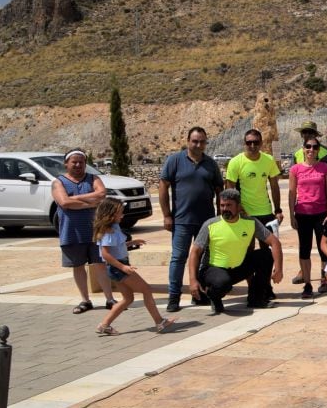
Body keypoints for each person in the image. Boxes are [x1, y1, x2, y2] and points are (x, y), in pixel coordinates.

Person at [159, 126, 223, 312]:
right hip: (181, 221)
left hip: (206, 222)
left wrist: (220, 216)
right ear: (188, 141)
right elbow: (163, 187)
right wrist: (166, 215)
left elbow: (219, 190)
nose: (198, 144)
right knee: (178, 258)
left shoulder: (210, 164)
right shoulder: (174, 161)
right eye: (195, 141)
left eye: (202, 141)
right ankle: (174, 297)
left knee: (204, 260)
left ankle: (200, 294)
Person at [188, 189, 284, 314]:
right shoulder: (210, 225)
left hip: (237, 267)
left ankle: (257, 298)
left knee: (265, 255)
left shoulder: (250, 222)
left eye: (229, 205)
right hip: (213, 269)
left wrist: (278, 269)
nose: (224, 209)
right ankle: (213, 296)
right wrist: (192, 280)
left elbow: (275, 242)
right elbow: (195, 252)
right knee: (223, 282)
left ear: (238, 206)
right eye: (222, 205)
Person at [92, 199, 174, 335]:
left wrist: (132, 243)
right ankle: (159, 321)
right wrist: (123, 267)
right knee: (146, 289)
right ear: (110, 215)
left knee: (128, 298)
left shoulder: (115, 227)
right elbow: (106, 254)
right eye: (120, 213)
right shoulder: (108, 231)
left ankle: (104, 325)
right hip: (118, 267)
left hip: (118, 266)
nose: (122, 215)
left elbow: (117, 247)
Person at [52, 149, 112, 315]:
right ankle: (85, 300)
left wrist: (75, 200)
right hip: (71, 232)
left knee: (100, 265)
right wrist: (90, 203)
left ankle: (110, 299)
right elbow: (64, 202)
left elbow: (102, 194)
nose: (78, 165)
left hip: (95, 231)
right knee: (78, 267)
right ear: (66, 164)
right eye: (74, 162)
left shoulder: (93, 178)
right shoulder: (59, 182)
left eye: (81, 162)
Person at [289, 138, 327, 299]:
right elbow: (292, 193)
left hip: (321, 214)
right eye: (308, 147)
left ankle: (324, 280)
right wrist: (292, 214)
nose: (311, 150)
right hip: (302, 213)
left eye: (315, 147)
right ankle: (307, 283)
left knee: (323, 248)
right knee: (304, 249)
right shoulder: (295, 169)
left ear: (318, 150)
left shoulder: (325, 168)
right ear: (303, 149)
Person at [225, 128, 283, 232]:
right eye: (249, 142)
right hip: (244, 213)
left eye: (256, 142)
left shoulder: (269, 160)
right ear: (244, 144)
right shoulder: (235, 162)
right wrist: (238, 209)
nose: (252, 146)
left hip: (265, 211)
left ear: (261, 143)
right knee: (248, 247)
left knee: (270, 246)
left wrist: (278, 210)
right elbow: (229, 190)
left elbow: (275, 187)